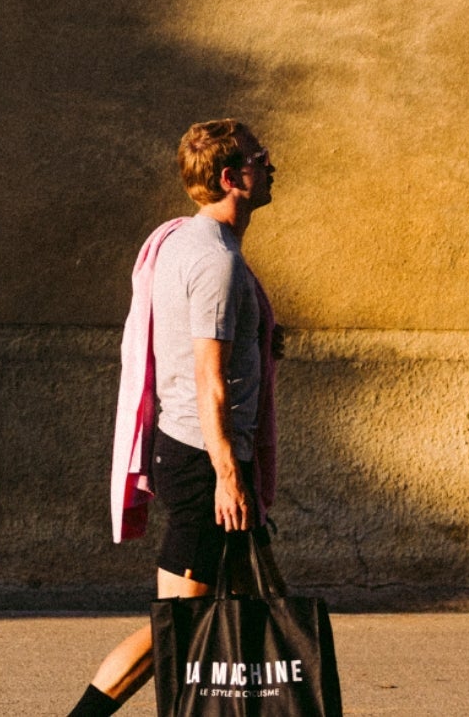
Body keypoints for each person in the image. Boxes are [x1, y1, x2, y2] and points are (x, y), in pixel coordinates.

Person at [66, 119, 281, 717]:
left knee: (230, 614)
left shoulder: (182, 242)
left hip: (191, 450)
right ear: (230, 177)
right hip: (201, 458)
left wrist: (262, 342)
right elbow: (208, 380)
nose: (272, 167)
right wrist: (228, 475)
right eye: (261, 159)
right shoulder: (216, 262)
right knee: (179, 628)